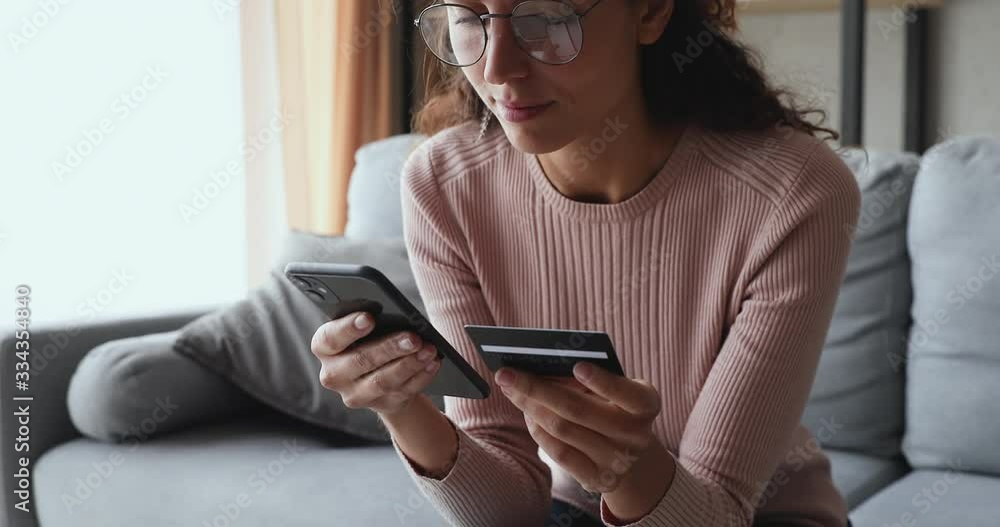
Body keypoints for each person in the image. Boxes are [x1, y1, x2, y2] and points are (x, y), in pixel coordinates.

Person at [310, 0, 860, 526]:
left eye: (546, 18)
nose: (497, 68)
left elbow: (717, 516)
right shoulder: (445, 184)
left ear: (649, 11)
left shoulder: (792, 193)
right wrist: (403, 407)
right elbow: (509, 512)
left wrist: (629, 467)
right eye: (468, 18)